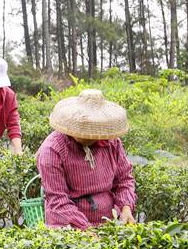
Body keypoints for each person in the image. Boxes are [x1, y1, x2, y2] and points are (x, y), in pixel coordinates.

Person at [36, 89, 137, 230]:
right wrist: (85, 229)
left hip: (109, 222)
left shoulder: (112, 143)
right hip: (67, 227)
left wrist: (125, 208)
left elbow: (124, 179)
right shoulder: (52, 149)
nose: (89, 134)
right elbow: (57, 200)